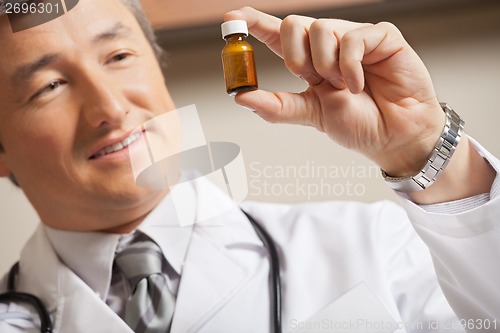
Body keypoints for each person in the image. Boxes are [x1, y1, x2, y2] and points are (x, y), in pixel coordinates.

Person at [0, 0, 498, 332]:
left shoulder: (374, 243)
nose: (109, 107)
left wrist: (425, 151)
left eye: (120, 55)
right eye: (49, 86)